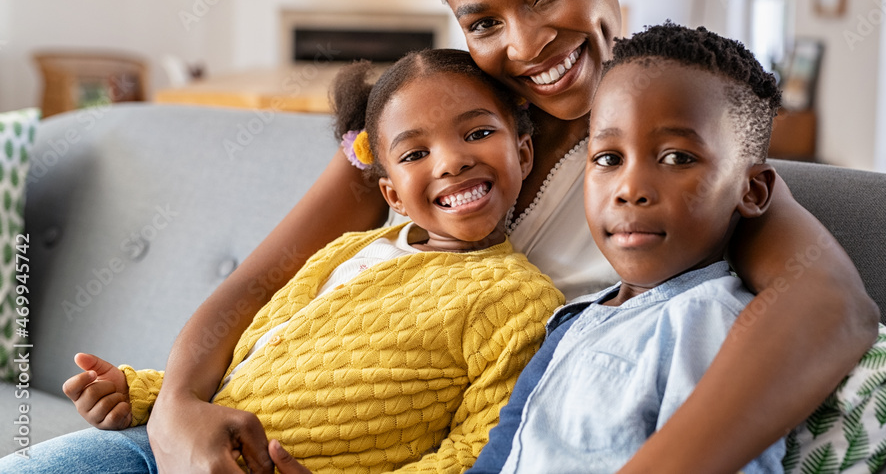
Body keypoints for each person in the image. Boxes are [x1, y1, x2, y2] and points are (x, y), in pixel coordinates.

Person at [147, 0, 884, 474]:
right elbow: (260, 278)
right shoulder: (440, 125)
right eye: (485, 22)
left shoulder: (680, 145)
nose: (528, 43)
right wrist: (175, 410)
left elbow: (832, 306)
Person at [4, 50, 563, 473]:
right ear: (390, 194)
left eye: (479, 132)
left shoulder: (520, 300)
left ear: (523, 150)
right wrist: (143, 392)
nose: (452, 161)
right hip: (157, 453)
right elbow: (257, 366)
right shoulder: (350, 250)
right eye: (417, 153)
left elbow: (476, 453)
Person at [467, 23, 886, 474]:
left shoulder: (704, 321)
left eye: (676, 158)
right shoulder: (578, 315)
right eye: (608, 159)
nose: (630, 188)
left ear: (753, 192)